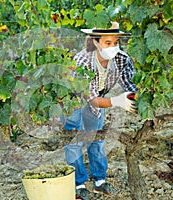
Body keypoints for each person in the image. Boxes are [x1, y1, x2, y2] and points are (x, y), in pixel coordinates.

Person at [63, 22, 137, 199]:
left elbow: (130, 86)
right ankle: (79, 184)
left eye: (116, 43)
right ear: (96, 42)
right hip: (74, 100)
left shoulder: (122, 59)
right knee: (75, 140)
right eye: (107, 43)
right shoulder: (82, 61)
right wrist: (116, 101)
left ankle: (99, 182)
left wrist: (135, 100)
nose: (113, 47)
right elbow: (91, 99)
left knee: (97, 139)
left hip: (99, 98)